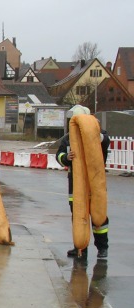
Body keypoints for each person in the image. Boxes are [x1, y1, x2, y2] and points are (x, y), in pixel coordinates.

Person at [55, 104, 110, 259]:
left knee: (99, 217)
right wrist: (66, 158)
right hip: (76, 185)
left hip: (95, 184)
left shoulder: (99, 135)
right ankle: (80, 248)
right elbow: (59, 155)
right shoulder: (68, 139)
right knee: (79, 217)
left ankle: (102, 247)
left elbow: (106, 141)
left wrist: (95, 132)